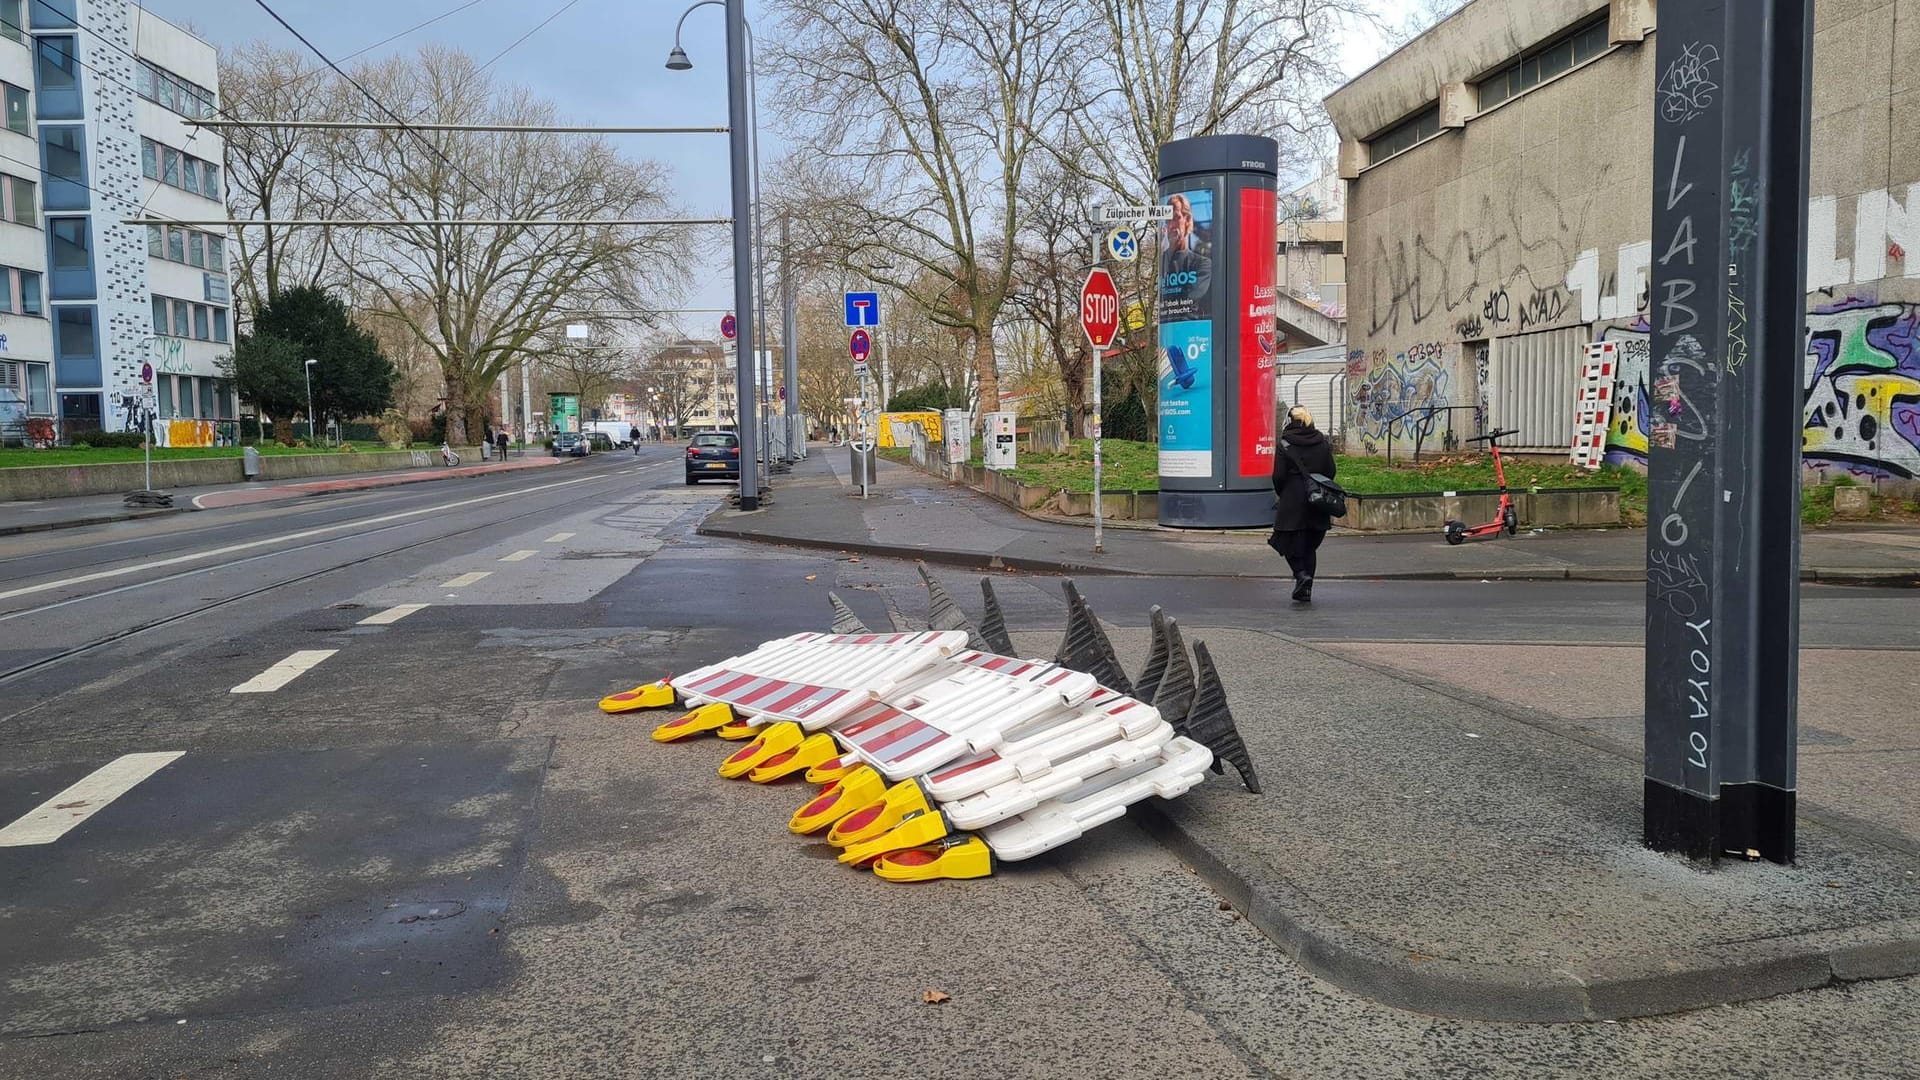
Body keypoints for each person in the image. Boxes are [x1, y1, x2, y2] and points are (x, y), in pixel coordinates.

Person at [1270, 406, 1337, 603]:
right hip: (1318, 501)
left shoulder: (1284, 443)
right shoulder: (1322, 442)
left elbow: (1278, 475)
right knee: (1310, 547)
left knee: (1285, 541)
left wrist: (1284, 493)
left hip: (1292, 500)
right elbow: (1331, 471)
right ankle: (1306, 588)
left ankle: (1301, 575)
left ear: (1288, 421)